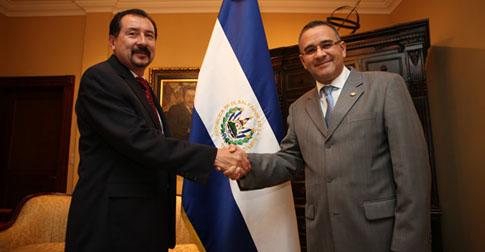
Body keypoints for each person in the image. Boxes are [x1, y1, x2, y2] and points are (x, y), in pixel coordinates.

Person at [232, 20, 431, 252]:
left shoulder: (386, 87)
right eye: (310, 50)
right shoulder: (298, 108)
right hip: (323, 237)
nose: (320, 54)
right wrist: (245, 163)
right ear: (303, 61)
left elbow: (413, 176)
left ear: (342, 48)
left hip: (378, 236)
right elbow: (288, 160)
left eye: (326, 44)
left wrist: (408, 245)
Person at [65, 9, 249, 252]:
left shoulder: (142, 88)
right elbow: (140, 141)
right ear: (112, 42)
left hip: (144, 225)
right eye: (132, 34)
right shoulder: (100, 78)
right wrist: (214, 156)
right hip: (111, 226)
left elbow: (158, 147)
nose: (143, 41)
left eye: (149, 36)